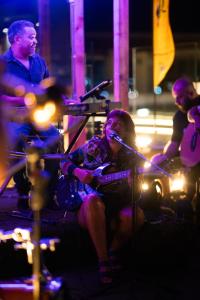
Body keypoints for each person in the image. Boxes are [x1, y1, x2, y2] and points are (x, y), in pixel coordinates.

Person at [61, 109, 144, 284]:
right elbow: (64, 162)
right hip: (89, 207)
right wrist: (78, 171)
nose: (112, 127)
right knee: (92, 200)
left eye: (118, 124)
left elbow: (136, 196)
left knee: (138, 215)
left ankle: (114, 250)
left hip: (118, 205)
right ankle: (103, 260)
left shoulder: (134, 156)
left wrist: (133, 185)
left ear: (127, 131)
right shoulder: (93, 147)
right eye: (109, 123)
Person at [0, 20, 60, 210]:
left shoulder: (39, 61)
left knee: (55, 139)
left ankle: (48, 193)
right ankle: (23, 191)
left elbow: (46, 88)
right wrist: (22, 100)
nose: (36, 41)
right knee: (16, 141)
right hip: (15, 119)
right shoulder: (3, 63)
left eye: (35, 37)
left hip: (38, 117)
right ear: (17, 39)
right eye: (31, 37)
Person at [152, 77, 200, 215]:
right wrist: (163, 158)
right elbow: (174, 143)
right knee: (157, 161)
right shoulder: (179, 117)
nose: (176, 101)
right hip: (189, 161)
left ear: (191, 92)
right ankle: (168, 202)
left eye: (179, 97)